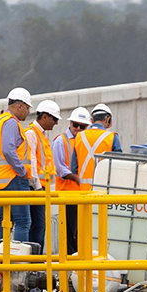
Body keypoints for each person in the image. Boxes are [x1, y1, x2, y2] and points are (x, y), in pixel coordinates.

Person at [0, 87, 35, 245]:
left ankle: (2, 264)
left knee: (5, 221)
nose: (28, 112)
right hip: (14, 179)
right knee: (23, 222)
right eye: (27, 108)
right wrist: (21, 171)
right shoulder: (11, 123)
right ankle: (19, 265)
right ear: (19, 106)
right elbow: (8, 149)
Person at [53, 107, 91, 257]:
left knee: (82, 232)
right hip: (67, 194)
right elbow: (60, 169)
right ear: (70, 124)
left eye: (82, 127)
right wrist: (78, 179)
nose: (78, 129)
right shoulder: (60, 141)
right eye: (75, 125)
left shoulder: (85, 142)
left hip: (83, 194)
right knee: (69, 233)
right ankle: (70, 267)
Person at [24, 99, 60, 254]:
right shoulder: (32, 133)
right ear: (44, 117)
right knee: (37, 226)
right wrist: (38, 187)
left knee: (39, 226)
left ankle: (36, 261)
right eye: (54, 119)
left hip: (41, 188)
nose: (56, 123)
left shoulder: (41, 135)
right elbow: (31, 162)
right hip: (35, 188)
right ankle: (34, 261)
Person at [74, 102, 122, 187]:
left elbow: (74, 168)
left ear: (92, 120)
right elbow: (119, 166)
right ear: (108, 119)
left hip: (83, 191)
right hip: (104, 190)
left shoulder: (79, 136)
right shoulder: (112, 137)